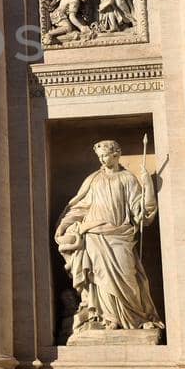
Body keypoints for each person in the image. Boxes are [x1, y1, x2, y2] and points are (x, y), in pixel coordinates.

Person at [54, 140, 161, 332]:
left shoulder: (128, 178)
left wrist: (148, 187)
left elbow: (141, 212)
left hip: (120, 235)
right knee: (100, 277)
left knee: (128, 276)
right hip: (94, 233)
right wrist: (65, 224)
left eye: (106, 155)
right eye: (100, 156)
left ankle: (136, 316)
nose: (103, 159)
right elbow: (80, 206)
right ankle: (107, 317)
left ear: (116, 155)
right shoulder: (93, 179)